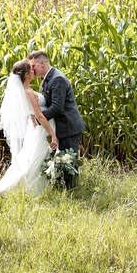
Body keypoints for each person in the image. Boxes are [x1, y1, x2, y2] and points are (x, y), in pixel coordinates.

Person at [0, 59, 58, 196]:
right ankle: (31, 189)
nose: (33, 71)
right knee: (36, 159)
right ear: (26, 74)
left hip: (36, 128)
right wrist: (53, 135)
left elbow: (31, 113)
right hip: (43, 128)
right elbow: (39, 115)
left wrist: (34, 119)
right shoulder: (28, 92)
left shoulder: (26, 90)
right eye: (31, 69)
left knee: (34, 157)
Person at [28, 50, 86, 188]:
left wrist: (39, 120)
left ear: (42, 63)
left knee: (69, 162)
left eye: (33, 66)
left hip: (68, 127)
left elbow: (57, 107)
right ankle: (62, 189)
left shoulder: (57, 78)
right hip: (60, 127)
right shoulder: (48, 79)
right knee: (61, 162)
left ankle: (73, 192)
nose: (32, 69)